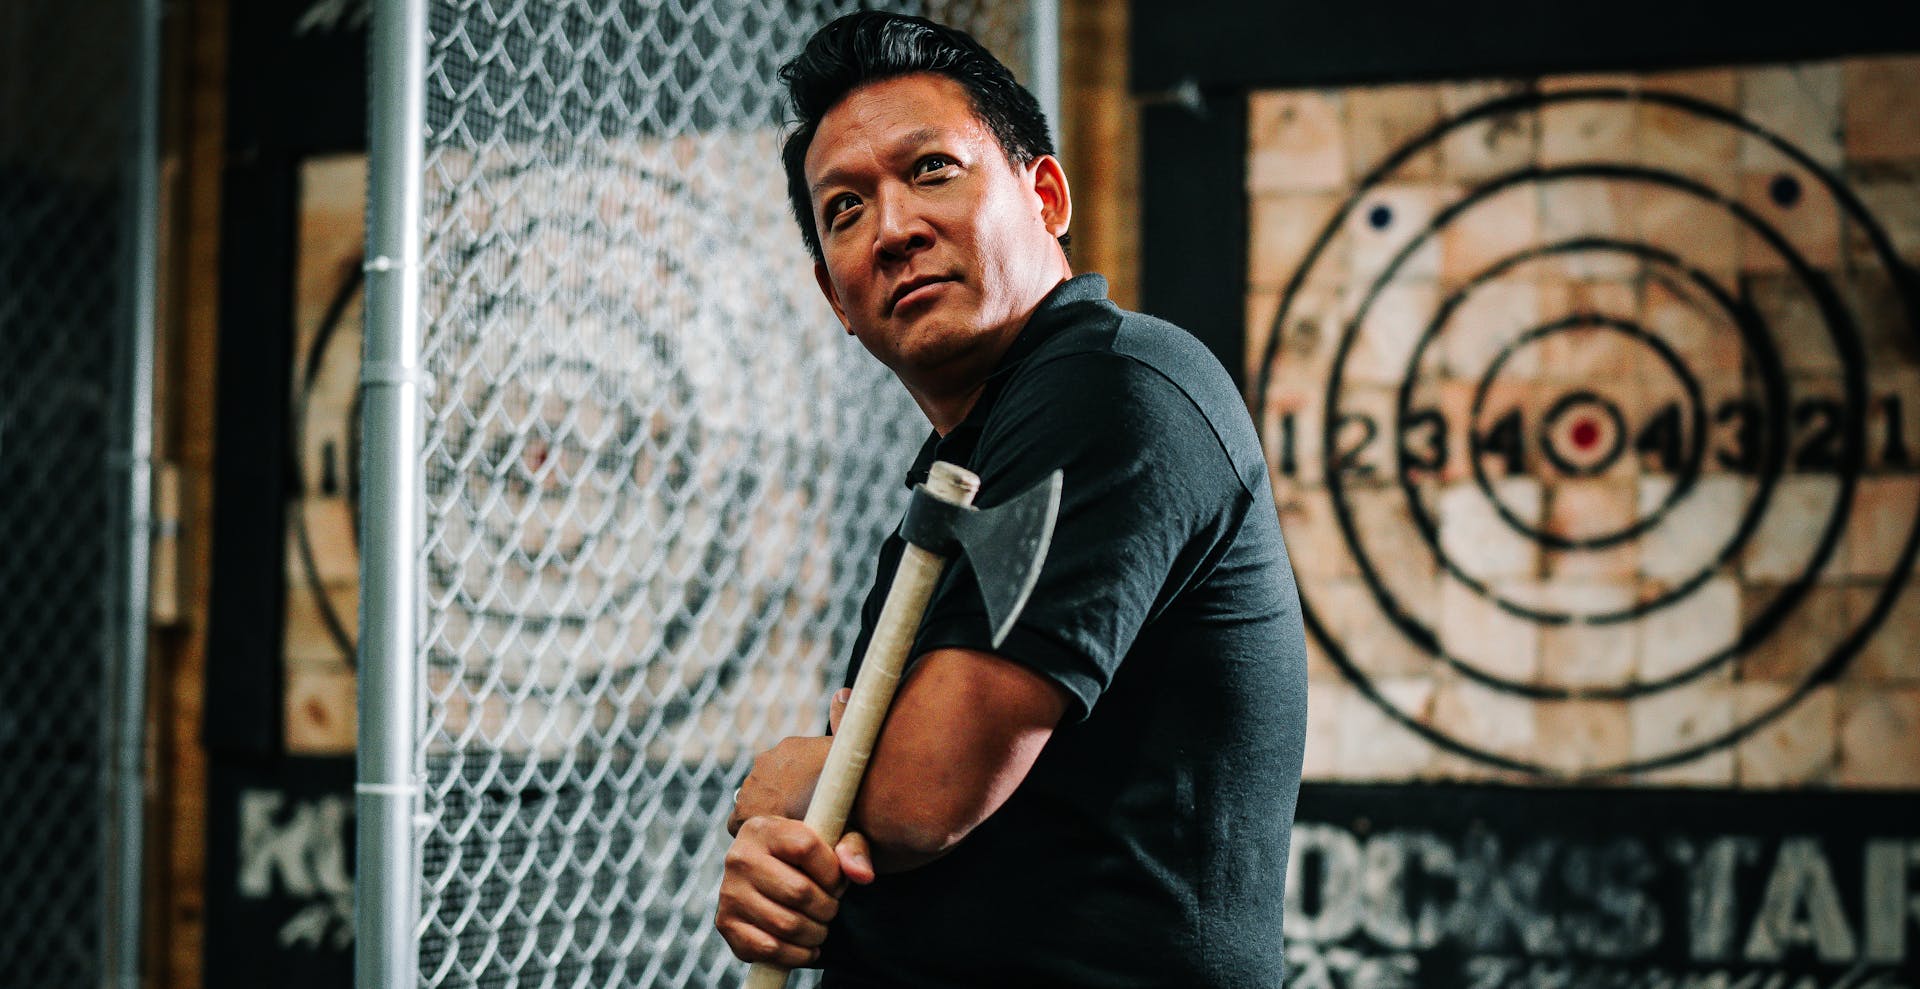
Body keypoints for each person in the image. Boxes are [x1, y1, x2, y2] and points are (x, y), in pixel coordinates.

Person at [713, 11, 1308, 986]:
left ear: (1046, 193)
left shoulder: (1110, 386)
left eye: (932, 170)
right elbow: (888, 789)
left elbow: (920, 790)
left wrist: (786, 779)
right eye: (846, 209)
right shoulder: (977, 456)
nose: (895, 227)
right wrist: (782, 862)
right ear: (834, 294)